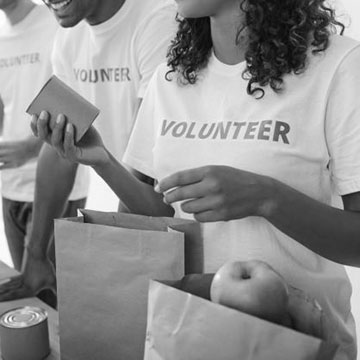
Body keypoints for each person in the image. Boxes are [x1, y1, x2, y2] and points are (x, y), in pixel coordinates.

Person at [31, 0, 359, 358]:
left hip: (299, 342)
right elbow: (164, 214)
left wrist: (266, 198)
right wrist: (103, 161)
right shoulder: (171, 77)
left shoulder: (340, 66)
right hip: (188, 337)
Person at [0, 0, 177, 300]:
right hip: (138, 211)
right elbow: (60, 152)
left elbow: (144, 166)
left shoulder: (157, 19)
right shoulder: (69, 38)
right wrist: (36, 255)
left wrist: (115, 257)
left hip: (175, 221)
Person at [0, 0, 87, 306]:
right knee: (31, 302)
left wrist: (31, 146)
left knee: (66, 305)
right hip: (9, 188)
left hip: (60, 188)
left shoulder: (60, 22)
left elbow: (76, 110)